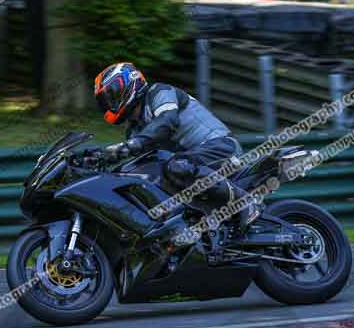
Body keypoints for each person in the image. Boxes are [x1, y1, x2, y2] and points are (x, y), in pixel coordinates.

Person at [93, 62, 261, 234]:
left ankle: (246, 202)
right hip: (191, 167)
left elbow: (167, 122)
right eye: (105, 100)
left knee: (177, 165)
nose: (109, 102)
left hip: (221, 147)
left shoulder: (160, 92)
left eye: (111, 94)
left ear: (130, 83)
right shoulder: (134, 130)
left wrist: (132, 145)